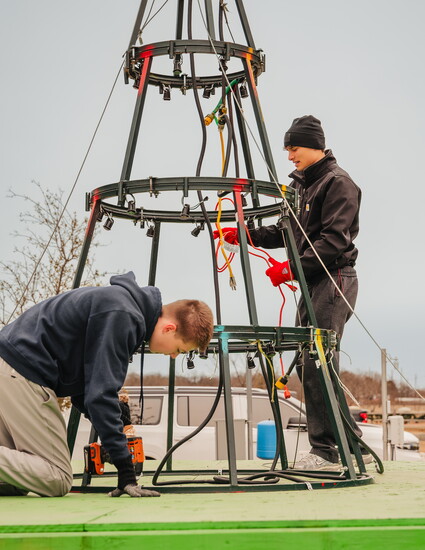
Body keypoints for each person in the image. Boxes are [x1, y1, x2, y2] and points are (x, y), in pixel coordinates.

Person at [217, 115, 362, 470]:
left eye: (293, 148)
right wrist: (245, 234)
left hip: (334, 278)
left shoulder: (338, 183)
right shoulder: (304, 186)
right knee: (314, 360)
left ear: (314, 145)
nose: (289, 156)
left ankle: (327, 452)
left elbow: (333, 240)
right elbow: (288, 231)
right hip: (315, 281)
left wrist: (290, 269)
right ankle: (349, 446)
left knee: (318, 361)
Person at [0, 271, 213, 497]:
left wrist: (114, 421)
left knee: (19, 482)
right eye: (179, 350)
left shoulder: (120, 305)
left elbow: (86, 390)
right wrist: (125, 471)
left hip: (10, 367)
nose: (173, 356)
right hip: (24, 372)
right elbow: (99, 396)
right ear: (169, 328)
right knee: (57, 476)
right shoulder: (124, 315)